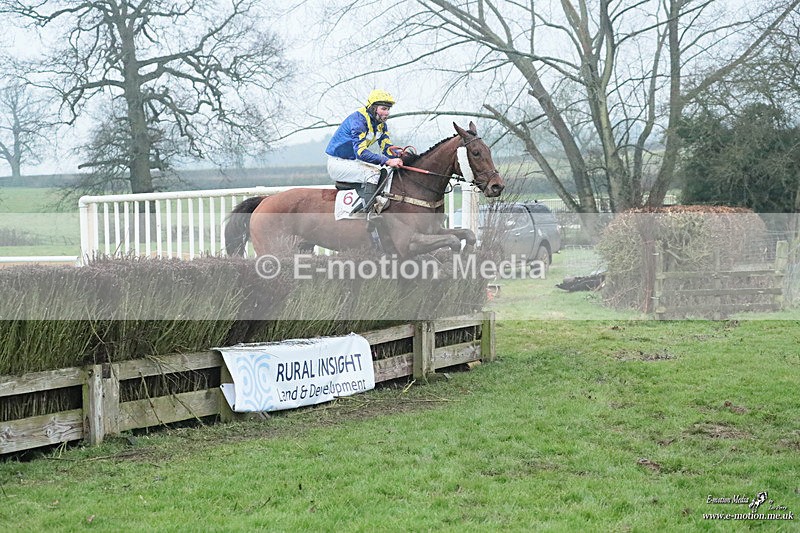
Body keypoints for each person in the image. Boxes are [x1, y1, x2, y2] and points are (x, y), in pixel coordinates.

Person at [325, 89, 404, 212]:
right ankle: (368, 212)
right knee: (373, 173)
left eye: (388, 109)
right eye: (383, 108)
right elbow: (361, 153)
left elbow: (386, 147)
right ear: (373, 107)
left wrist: (400, 155)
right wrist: (387, 161)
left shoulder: (381, 124)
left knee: (386, 170)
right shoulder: (359, 121)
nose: (387, 113)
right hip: (337, 163)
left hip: (352, 162)